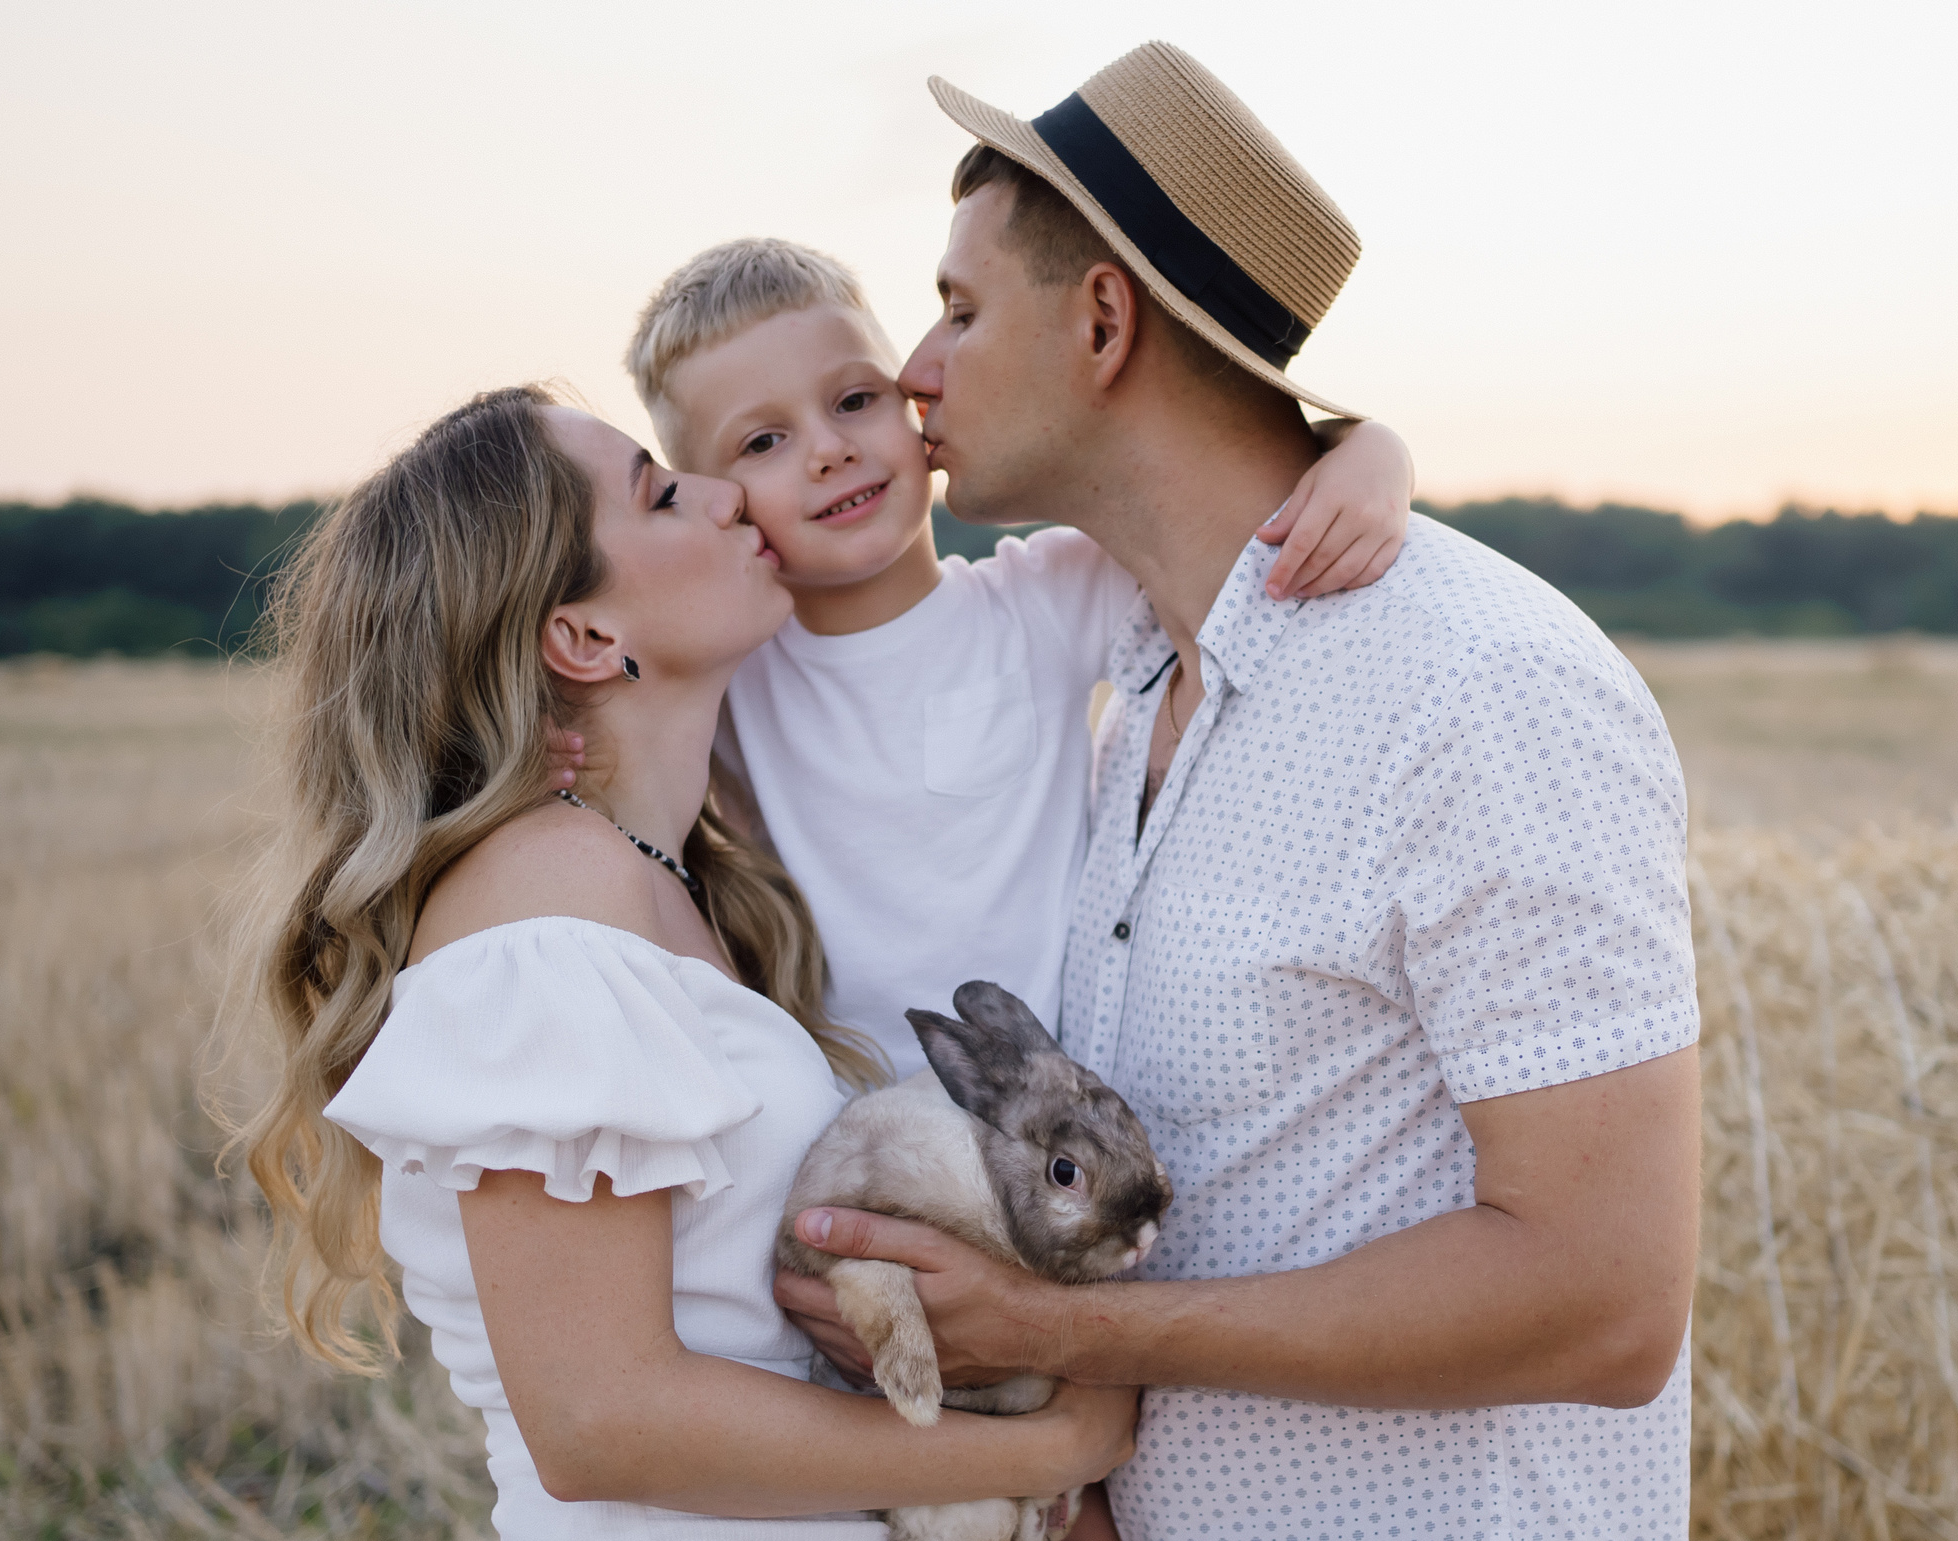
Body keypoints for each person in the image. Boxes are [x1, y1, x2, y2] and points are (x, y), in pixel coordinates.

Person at [777, 43, 1705, 1541]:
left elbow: (1604, 1296)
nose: (913, 367)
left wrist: (1069, 1336)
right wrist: (1118, 1484)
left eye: (959, 309)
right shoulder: (1136, 683)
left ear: (1106, 323)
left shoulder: (1473, 690)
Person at [221, 385, 1138, 1541]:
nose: (723, 493)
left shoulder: (656, 891)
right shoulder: (542, 915)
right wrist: (1047, 1437)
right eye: (660, 490)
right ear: (584, 632)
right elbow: (604, 1417)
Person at [606, 236, 1415, 1072]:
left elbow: (1223, 509)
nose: (828, 449)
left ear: (913, 400)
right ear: (714, 497)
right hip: (853, 1125)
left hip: (1061, 1118)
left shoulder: (1041, 599)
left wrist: (1371, 451)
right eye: (762, 443)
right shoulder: (734, 683)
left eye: (853, 400)